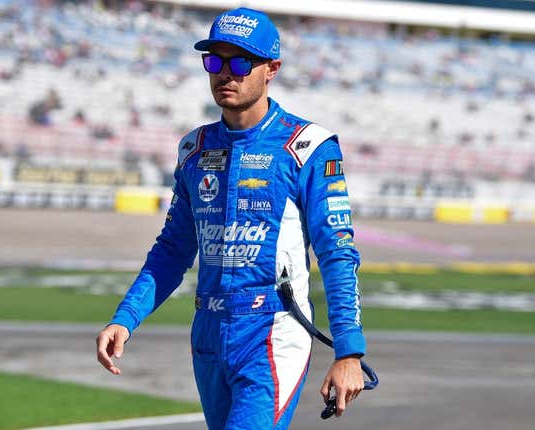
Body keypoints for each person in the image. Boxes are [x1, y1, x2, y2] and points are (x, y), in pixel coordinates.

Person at [96, 7, 366, 429]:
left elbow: (337, 251)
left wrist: (349, 352)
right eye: (215, 61)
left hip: (273, 333)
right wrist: (125, 319)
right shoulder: (194, 149)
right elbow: (172, 249)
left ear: (271, 69)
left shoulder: (307, 146)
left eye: (241, 62)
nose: (226, 73)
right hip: (208, 334)